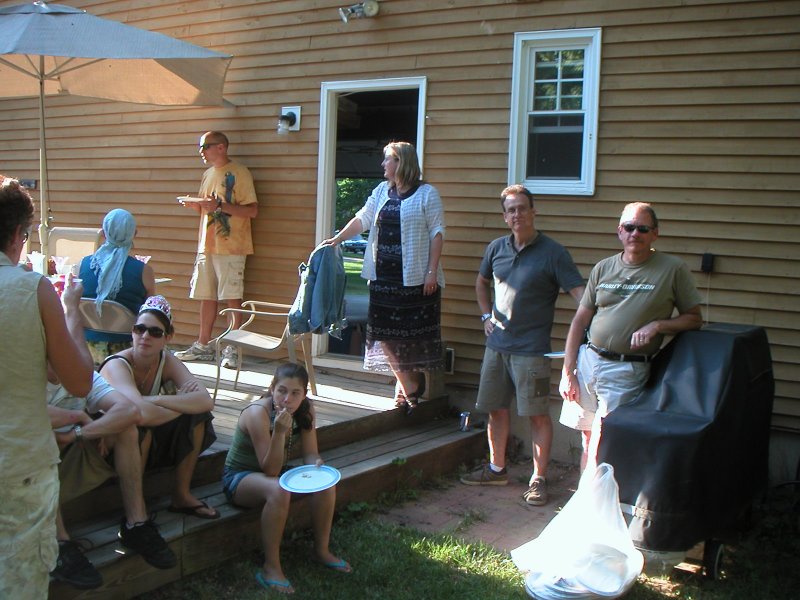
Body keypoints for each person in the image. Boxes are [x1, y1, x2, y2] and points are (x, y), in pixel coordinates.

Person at [460, 185, 585, 507]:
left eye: (522, 208)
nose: (517, 214)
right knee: (496, 409)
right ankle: (496, 469)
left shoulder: (553, 253)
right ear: (505, 216)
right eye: (511, 210)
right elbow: (481, 282)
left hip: (532, 351)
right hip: (497, 347)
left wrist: (594, 322)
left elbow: (580, 295)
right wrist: (486, 315)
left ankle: (538, 479)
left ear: (533, 211)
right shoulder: (496, 249)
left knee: (538, 415)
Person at [0, 176, 94, 598]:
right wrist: (71, 310)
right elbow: (77, 379)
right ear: (18, 235)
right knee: (19, 584)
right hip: (17, 464)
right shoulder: (31, 288)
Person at [559, 202, 703, 472]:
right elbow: (579, 321)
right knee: (588, 437)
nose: (635, 233)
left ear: (655, 233)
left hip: (626, 369)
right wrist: (568, 371)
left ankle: (602, 494)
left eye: (642, 228)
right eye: (629, 227)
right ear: (619, 231)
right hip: (588, 362)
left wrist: (658, 326)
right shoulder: (603, 268)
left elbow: (694, 318)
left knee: (607, 439)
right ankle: (587, 493)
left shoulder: (672, 269)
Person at [324, 141, 445, 414]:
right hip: (383, 278)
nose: (383, 164)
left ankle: (403, 390)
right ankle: (410, 385)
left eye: (387, 159)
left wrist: (431, 271)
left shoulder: (427, 194)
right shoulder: (381, 191)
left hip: (416, 280)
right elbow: (362, 219)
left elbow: (437, 233)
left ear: (401, 162)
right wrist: (337, 239)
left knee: (410, 339)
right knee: (385, 336)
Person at [222, 363, 350, 595]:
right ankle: (271, 568)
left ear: (304, 394)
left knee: (325, 482)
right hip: (240, 478)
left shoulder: (306, 410)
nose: (287, 399)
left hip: (275, 472)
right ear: (272, 388)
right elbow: (270, 470)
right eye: (281, 391)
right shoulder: (257, 413)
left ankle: (321, 551)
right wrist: (279, 432)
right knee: (278, 489)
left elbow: (310, 454)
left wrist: (317, 464)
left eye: (295, 393)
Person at [46, 368, 177, 590]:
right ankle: (59, 544)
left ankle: (136, 525)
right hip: (32, 464)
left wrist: (80, 433)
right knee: (41, 440)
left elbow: (129, 410)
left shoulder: (79, 371)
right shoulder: (24, 373)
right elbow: (25, 415)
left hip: (71, 446)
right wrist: (79, 417)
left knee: (126, 428)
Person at [100, 295, 220, 519]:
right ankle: (136, 509)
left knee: (197, 415)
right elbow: (139, 414)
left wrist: (155, 400)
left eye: (155, 332)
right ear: (132, 332)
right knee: (143, 428)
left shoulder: (166, 360)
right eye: (140, 329)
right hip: (110, 444)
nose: (145, 336)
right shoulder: (117, 365)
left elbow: (205, 400)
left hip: (148, 433)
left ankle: (181, 495)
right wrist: (180, 402)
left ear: (167, 337)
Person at [176, 131, 258, 370]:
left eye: (205, 146)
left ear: (221, 147)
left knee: (232, 297)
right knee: (206, 296)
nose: (201, 151)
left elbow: (252, 211)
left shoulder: (240, 173)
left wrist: (220, 205)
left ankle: (233, 348)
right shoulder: (207, 174)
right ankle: (203, 346)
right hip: (207, 245)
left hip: (232, 246)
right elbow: (208, 208)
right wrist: (195, 205)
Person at [79, 208, 156, 364]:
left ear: (104, 233)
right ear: (134, 234)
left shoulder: (83, 265)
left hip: (86, 348)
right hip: (127, 350)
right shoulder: (144, 271)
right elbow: (151, 310)